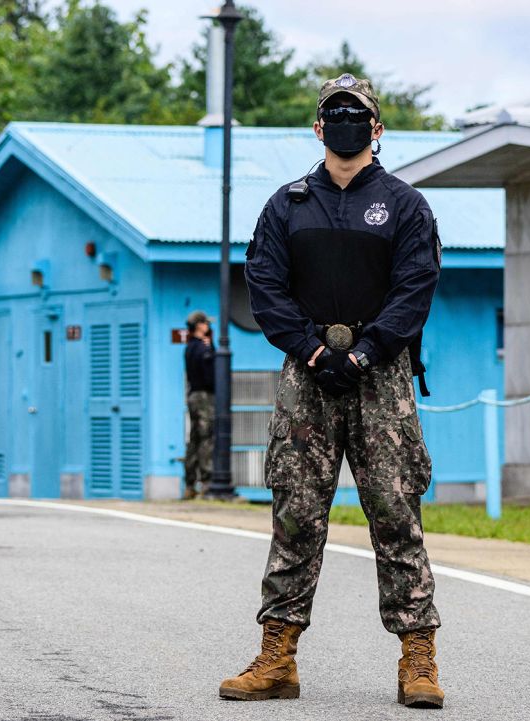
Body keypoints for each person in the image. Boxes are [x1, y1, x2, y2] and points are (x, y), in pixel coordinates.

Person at [218, 74, 445, 708]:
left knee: (397, 515)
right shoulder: (286, 206)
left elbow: (415, 288)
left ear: (377, 129)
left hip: (384, 378)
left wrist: (370, 350)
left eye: (358, 113)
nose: (345, 121)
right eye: (334, 113)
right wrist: (313, 350)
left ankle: (418, 660)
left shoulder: (404, 205)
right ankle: (277, 657)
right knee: (295, 514)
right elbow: (264, 287)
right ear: (318, 128)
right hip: (305, 378)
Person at [183, 310, 216, 499]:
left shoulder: (189, 347)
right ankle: (206, 482)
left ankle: (189, 484)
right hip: (204, 396)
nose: (208, 326)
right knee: (206, 437)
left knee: (194, 438)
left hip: (192, 395)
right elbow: (210, 375)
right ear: (200, 325)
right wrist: (210, 351)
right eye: (206, 323)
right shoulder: (203, 349)